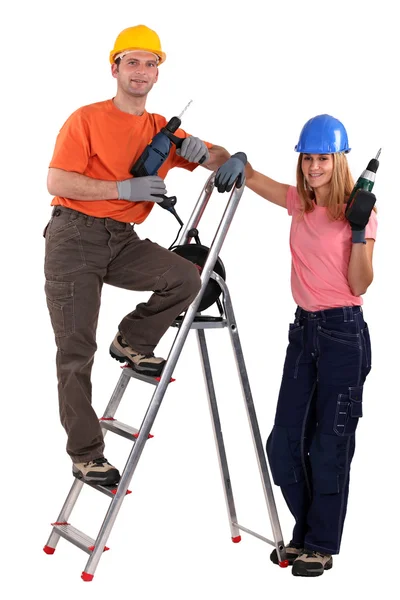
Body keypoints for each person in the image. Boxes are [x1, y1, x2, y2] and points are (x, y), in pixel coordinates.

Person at [43, 25, 246, 487]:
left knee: (187, 278)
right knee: (75, 352)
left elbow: (214, 157)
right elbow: (58, 182)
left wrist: (222, 154)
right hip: (73, 237)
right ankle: (87, 454)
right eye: (132, 61)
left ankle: (132, 341)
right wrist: (122, 187)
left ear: (158, 73)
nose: (141, 71)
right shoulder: (87, 119)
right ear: (114, 68)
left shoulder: (160, 131)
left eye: (150, 63)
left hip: (122, 238)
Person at [244, 114, 377, 577]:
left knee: (329, 447)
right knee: (283, 445)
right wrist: (220, 157)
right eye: (308, 157)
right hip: (302, 334)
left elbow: (361, 284)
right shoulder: (298, 203)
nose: (314, 166)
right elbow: (252, 177)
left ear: (339, 160)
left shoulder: (358, 210)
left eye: (323, 157)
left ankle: (318, 545)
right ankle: (306, 533)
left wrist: (359, 232)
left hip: (343, 335)